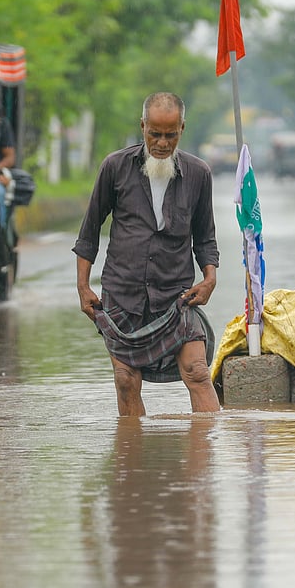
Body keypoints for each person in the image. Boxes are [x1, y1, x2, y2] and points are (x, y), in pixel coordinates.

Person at [74, 91, 221, 416]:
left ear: (182, 128)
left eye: (170, 134)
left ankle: (205, 459)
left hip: (176, 296)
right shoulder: (114, 167)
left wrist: (209, 278)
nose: (162, 143)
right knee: (126, 379)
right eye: (155, 134)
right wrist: (83, 287)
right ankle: (133, 461)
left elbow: (205, 238)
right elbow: (89, 233)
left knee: (197, 372)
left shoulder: (198, 174)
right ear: (143, 127)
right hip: (122, 294)